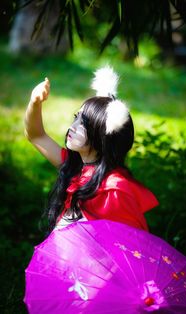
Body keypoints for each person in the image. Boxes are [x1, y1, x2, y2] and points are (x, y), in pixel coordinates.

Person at [24, 66, 159, 233]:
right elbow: (36, 135)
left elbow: (130, 243)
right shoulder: (75, 167)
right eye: (76, 118)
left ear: (102, 136)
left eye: (83, 123)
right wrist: (35, 102)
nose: (72, 127)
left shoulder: (114, 189)